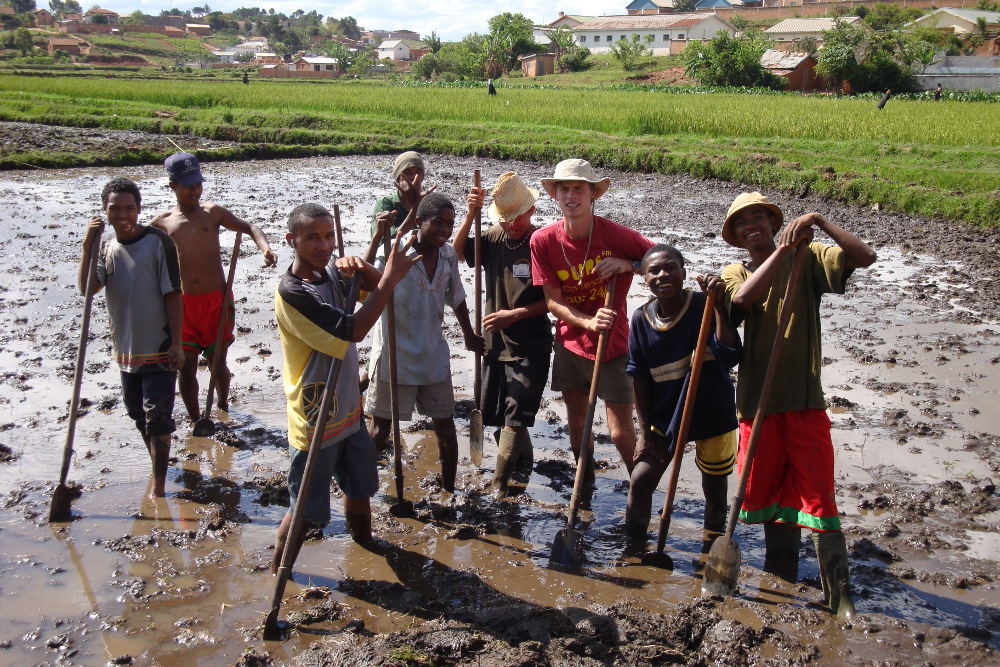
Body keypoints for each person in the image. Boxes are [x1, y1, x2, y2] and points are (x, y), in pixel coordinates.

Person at [720, 192, 877, 617]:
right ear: (735, 234)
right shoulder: (736, 270)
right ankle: (781, 569)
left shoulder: (809, 256)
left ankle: (839, 594)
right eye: (743, 223)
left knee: (818, 494)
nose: (752, 226)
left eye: (761, 219)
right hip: (757, 402)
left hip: (805, 398)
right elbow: (740, 300)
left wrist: (821, 222)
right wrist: (782, 251)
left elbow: (866, 257)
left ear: (774, 223)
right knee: (767, 491)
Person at [271, 203, 420, 575]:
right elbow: (353, 330)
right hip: (315, 411)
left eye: (328, 237)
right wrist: (390, 276)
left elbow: (370, 288)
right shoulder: (294, 292)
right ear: (292, 241)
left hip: (348, 407)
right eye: (312, 238)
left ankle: (363, 544)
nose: (324, 246)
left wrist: (365, 265)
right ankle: (280, 570)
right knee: (306, 508)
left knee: (359, 485)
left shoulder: (331, 273)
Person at [530, 159, 654, 475]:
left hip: (613, 345)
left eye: (579, 189)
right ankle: (584, 483)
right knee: (578, 423)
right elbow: (554, 303)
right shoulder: (542, 240)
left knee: (619, 432)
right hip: (570, 344)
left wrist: (629, 265)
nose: (571, 196)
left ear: (592, 194)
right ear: (555, 195)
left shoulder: (616, 235)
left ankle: (638, 493)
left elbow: (663, 261)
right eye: (564, 189)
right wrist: (586, 321)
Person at [366, 192, 483, 494]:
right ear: (418, 222)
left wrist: (469, 334)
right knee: (380, 428)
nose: (445, 230)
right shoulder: (396, 251)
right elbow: (371, 288)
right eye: (438, 223)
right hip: (395, 354)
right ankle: (358, 488)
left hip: (432, 353)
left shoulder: (446, 255)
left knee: (445, 423)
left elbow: (455, 296)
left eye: (450, 224)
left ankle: (448, 491)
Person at [625, 244, 741, 545]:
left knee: (715, 492)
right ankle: (633, 548)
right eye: (654, 271)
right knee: (640, 481)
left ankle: (710, 550)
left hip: (713, 411)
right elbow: (639, 377)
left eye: (670, 268)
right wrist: (644, 433)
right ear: (644, 278)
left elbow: (730, 353)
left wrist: (717, 304)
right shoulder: (640, 319)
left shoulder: (703, 305)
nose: (663, 275)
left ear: (684, 273)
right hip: (666, 415)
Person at [150, 152, 277, 425]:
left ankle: (221, 407)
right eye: (188, 186)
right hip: (181, 305)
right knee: (186, 368)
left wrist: (265, 248)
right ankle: (197, 420)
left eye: (198, 184)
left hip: (216, 302)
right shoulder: (162, 223)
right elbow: (138, 247)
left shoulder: (213, 213)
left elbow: (250, 226)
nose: (195, 190)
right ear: (172, 185)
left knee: (218, 362)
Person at [79, 177, 184, 499]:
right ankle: (157, 463)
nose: (122, 215)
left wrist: (177, 342)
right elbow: (88, 290)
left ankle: (160, 486)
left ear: (139, 210)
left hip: (159, 346)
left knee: (158, 417)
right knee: (137, 413)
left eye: (129, 208)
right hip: (126, 349)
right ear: (105, 212)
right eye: (115, 209)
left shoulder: (158, 242)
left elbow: (173, 294)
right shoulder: (105, 247)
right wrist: (87, 246)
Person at [452, 172, 553, 497]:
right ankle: (523, 466)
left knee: (515, 418)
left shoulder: (541, 243)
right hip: (493, 347)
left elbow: (552, 301)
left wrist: (515, 314)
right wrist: (470, 214)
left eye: (517, 218)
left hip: (530, 347)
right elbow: (456, 252)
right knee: (499, 417)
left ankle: (498, 486)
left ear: (531, 211)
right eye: (506, 219)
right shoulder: (493, 238)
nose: (512, 225)